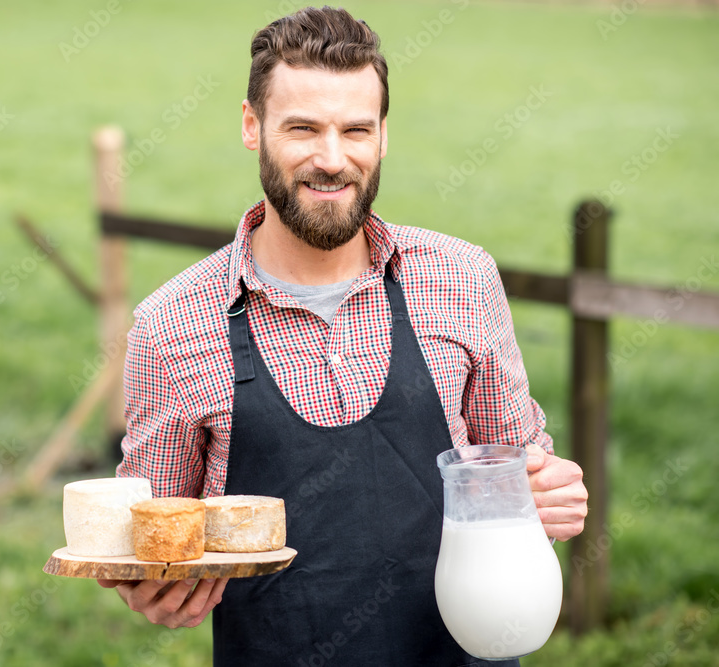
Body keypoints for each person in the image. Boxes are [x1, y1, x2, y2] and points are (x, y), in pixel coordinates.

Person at [98, 6, 588, 665]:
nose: (333, 160)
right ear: (252, 126)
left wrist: (550, 494)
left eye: (355, 130)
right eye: (303, 128)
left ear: (383, 135)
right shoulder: (172, 325)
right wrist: (148, 584)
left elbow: (519, 475)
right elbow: (151, 536)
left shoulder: (462, 279)